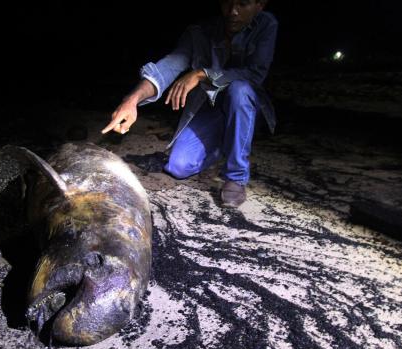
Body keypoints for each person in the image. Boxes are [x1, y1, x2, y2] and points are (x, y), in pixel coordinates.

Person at [102, 0, 278, 207]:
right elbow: (168, 67)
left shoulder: (267, 25)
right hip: (212, 109)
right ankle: (227, 141)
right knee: (178, 166)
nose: (233, 12)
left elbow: (255, 74)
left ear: (260, 5)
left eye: (243, 4)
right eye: (228, 3)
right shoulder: (200, 31)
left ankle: (236, 176)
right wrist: (132, 100)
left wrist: (202, 74)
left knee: (239, 89)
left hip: (246, 106)